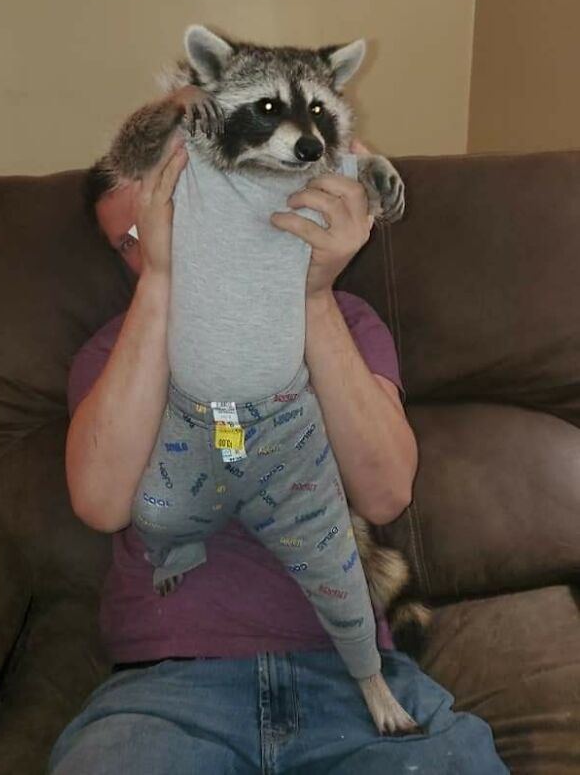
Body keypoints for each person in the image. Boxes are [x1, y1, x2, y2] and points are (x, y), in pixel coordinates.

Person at [49, 136, 509, 774]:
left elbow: (384, 492)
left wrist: (310, 294)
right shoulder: (111, 352)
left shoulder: (346, 319)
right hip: (171, 687)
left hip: (350, 677)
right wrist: (161, 283)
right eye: (129, 239)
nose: (154, 242)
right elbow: (100, 504)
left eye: (168, 213)